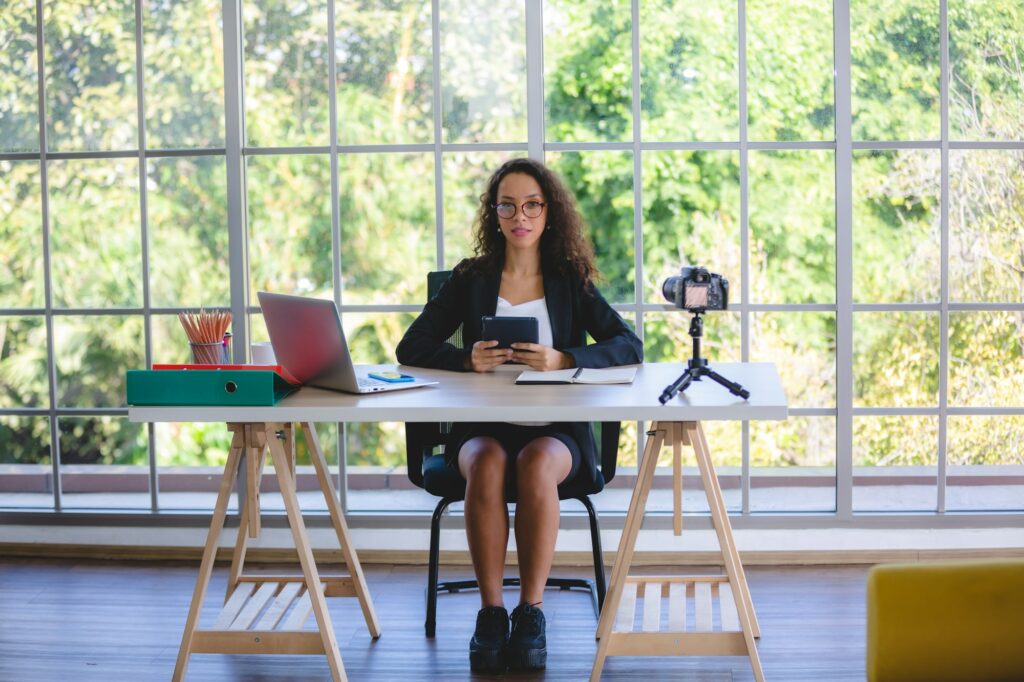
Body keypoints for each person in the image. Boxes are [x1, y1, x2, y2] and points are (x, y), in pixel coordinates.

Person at [396, 157, 643, 673]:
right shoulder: (471, 278)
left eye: (531, 204)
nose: (520, 215)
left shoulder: (569, 279)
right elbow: (411, 345)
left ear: (548, 212)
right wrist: (466, 359)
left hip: (555, 433)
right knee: (485, 462)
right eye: (507, 205)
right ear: (495, 213)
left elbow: (628, 345)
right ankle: (491, 614)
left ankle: (530, 612)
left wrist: (565, 358)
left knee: (534, 464)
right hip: (482, 428)